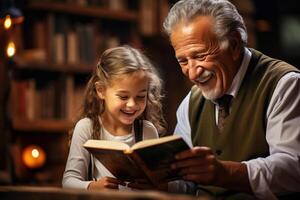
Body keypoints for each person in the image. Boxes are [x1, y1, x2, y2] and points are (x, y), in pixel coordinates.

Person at [163, 0, 300, 199]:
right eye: (183, 61)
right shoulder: (190, 102)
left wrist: (225, 173)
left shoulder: (285, 85)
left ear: (234, 45)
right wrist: (159, 183)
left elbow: (293, 169)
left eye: (200, 56)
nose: (192, 73)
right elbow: (187, 183)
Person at [62, 45, 166, 190]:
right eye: (123, 96)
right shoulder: (87, 128)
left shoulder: (147, 131)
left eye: (141, 97)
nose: (132, 104)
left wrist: (153, 184)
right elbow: (68, 182)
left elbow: (157, 180)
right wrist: (92, 187)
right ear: (101, 91)